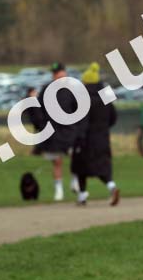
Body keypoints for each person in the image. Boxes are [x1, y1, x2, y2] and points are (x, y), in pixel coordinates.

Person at [70, 63, 120, 206]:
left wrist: (77, 138)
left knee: (80, 167)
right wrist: (103, 129)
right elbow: (113, 117)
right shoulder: (106, 96)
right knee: (103, 167)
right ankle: (112, 186)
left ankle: (82, 196)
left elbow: (78, 120)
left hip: (85, 140)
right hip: (103, 139)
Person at [36, 62, 83, 201]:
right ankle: (59, 190)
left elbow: (79, 110)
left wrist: (78, 128)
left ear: (65, 73)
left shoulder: (73, 89)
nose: (56, 76)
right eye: (54, 73)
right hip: (54, 131)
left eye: (59, 73)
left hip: (70, 130)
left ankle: (75, 181)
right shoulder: (46, 90)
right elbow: (40, 110)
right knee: (57, 161)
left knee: (75, 158)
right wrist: (43, 125)